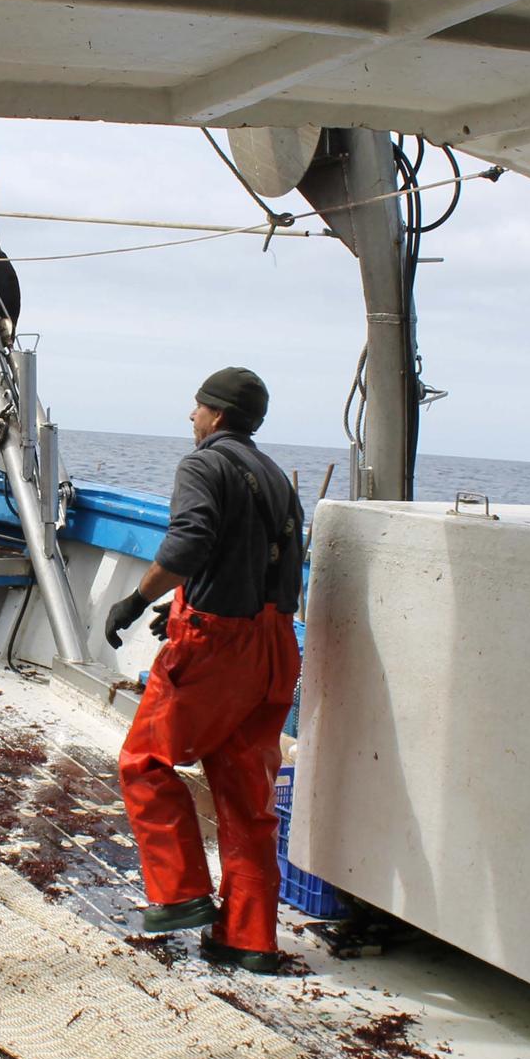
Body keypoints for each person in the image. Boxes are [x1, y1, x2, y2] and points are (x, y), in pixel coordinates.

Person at [101, 366, 303, 973]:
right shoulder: (274, 476)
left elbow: (190, 541)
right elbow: (260, 562)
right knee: (247, 797)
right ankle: (249, 938)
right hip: (274, 645)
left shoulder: (203, 464)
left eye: (195, 408)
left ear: (215, 414)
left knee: (146, 762)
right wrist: (184, 604)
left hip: (217, 646)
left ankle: (182, 894)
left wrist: (137, 600)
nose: (190, 418)